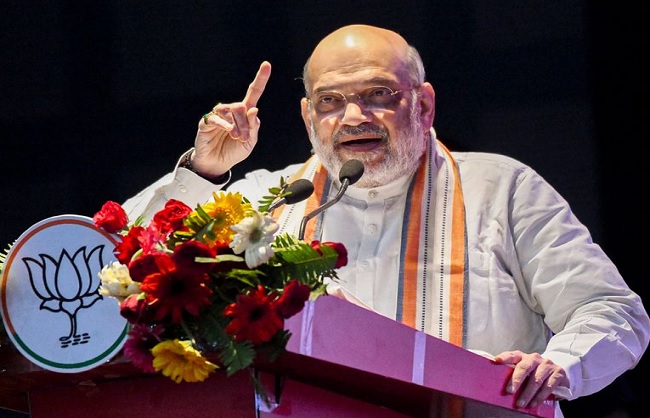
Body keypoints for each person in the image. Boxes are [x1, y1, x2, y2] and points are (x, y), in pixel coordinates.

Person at [122, 24, 649, 416]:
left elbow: (613, 311)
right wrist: (205, 172)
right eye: (330, 101)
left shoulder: (502, 188)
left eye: (378, 95)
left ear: (424, 104)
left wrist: (561, 364)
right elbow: (122, 264)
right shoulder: (269, 201)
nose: (353, 117)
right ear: (308, 117)